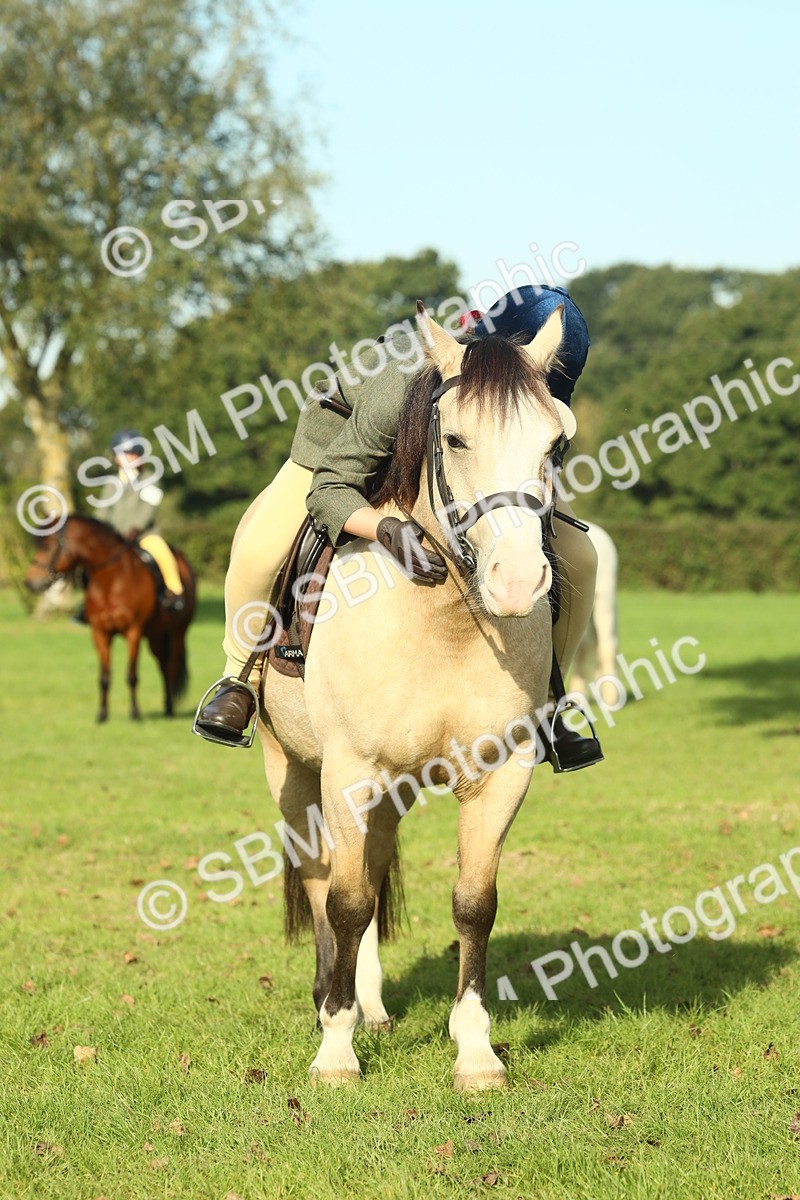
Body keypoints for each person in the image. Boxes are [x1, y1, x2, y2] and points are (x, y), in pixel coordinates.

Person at [193, 285, 601, 770]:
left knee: (583, 555)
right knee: (261, 547)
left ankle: (550, 703)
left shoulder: (532, 410)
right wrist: (382, 527)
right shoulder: (402, 382)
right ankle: (237, 675)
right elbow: (330, 488)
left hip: (483, 467)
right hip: (342, 444)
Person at [101, 429, 186, 611]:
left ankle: (175, 591)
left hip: (143, 535)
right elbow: (101, 511)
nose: (131, 458)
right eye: (126, 454)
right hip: (115, 538)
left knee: (162, 552)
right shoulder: (110, 483)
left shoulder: (151, 479)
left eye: (135, 454)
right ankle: (88, 602)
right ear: (116, 457)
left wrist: (136, 528)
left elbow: (149, 509)